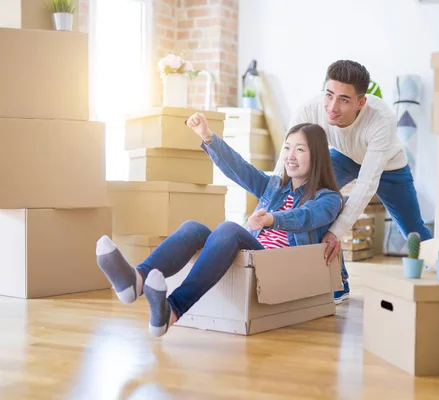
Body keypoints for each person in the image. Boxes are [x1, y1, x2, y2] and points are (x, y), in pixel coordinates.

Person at [95, 114, 344, 337]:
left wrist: (272, 219)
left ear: (317, 155)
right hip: (249, 256)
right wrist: (207, 136)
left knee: (228, 229)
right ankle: (136, 280)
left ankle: (174, 308)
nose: (290, 156)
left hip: (275, 264)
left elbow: (306, 217)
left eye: (300, 150)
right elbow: (240, 170)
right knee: (193, 228)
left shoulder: (329, 198)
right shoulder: (275, 187)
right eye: (287, 147)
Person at [274, 60, 432, 304]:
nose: (332, 107)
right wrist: (270, 204)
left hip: (389, 166)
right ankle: (338, 281)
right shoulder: (310, 109)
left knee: (413, 231)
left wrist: (336, 232)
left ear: (361, 102)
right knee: (310, 199)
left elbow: (366, 185)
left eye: (344, 100)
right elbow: (285, 161)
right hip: (344, 156)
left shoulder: (381, 120)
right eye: (329, 95)